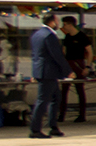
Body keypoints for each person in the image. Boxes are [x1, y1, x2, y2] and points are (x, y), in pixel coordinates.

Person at [27, 11, 69, 139]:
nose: (58, 24)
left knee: (56, 98)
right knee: (42, 100)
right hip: (48, 72)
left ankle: (53, 126)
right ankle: (35, 129)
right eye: (57, 21)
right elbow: (57, 55)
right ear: (52, 22)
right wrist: (68, 71)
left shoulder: (36, 34)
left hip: (42, 71)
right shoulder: (49, 36)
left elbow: (35, 55)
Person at [58, 14, 92, 122]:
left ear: (70, 25)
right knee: (64, 90)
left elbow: (90, 52)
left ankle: (82, 115)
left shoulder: (82, 36)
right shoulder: (67, 37)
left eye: (65, 25)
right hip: (68, 64)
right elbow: (64, 51)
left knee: (79, 89)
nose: (64, 27)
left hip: (78, 64)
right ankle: (61, 114)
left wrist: (87, 66)